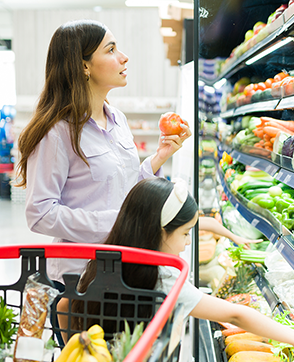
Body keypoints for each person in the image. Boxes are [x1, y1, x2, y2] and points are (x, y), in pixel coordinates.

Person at [14, 19, 190, 343]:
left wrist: (159, 158)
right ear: (84, 66)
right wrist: (112, 224)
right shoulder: (57, 131)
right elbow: (39, 213)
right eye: (111, 49)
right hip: (78, 281)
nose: (124, 57)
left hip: (123, 269)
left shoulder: (117, 119)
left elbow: (123, 187)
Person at [58, 178, 294, 362]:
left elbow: (64, 305)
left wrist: (73, 348)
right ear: (158, 231)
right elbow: (234, 313)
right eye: (184, 234)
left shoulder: (105, 259)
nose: (187, 243)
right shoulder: (163, 278)